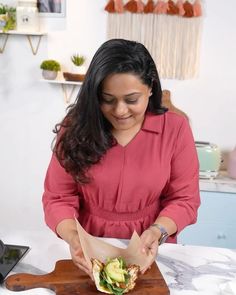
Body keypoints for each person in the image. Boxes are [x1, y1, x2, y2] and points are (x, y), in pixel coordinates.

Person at [42, 39, 200, 278]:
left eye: (131, 99)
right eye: (108, 99)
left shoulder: (175, 129)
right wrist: (74, 239)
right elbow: (57, 198)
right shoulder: (75, 127)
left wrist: (158, 231)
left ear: (150, 88)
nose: (119, 110)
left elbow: (185, 199)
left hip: (151, 249)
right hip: (89, 250)